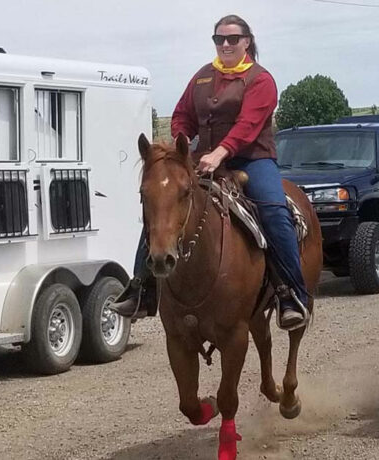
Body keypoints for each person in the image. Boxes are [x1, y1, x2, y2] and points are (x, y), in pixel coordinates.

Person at [109, 15, 308, 330]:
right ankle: (142, 288)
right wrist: (181, 143)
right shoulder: (202, 77)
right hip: (203, 159)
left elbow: (248, 125)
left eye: (233, 38)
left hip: (252, 159)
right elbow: (182, 114)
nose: (225, 44)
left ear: (247, 41)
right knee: (163, 202)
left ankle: (291, 294)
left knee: (273, 210)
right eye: (219, 39)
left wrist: (221, 152)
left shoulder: (261, 80)